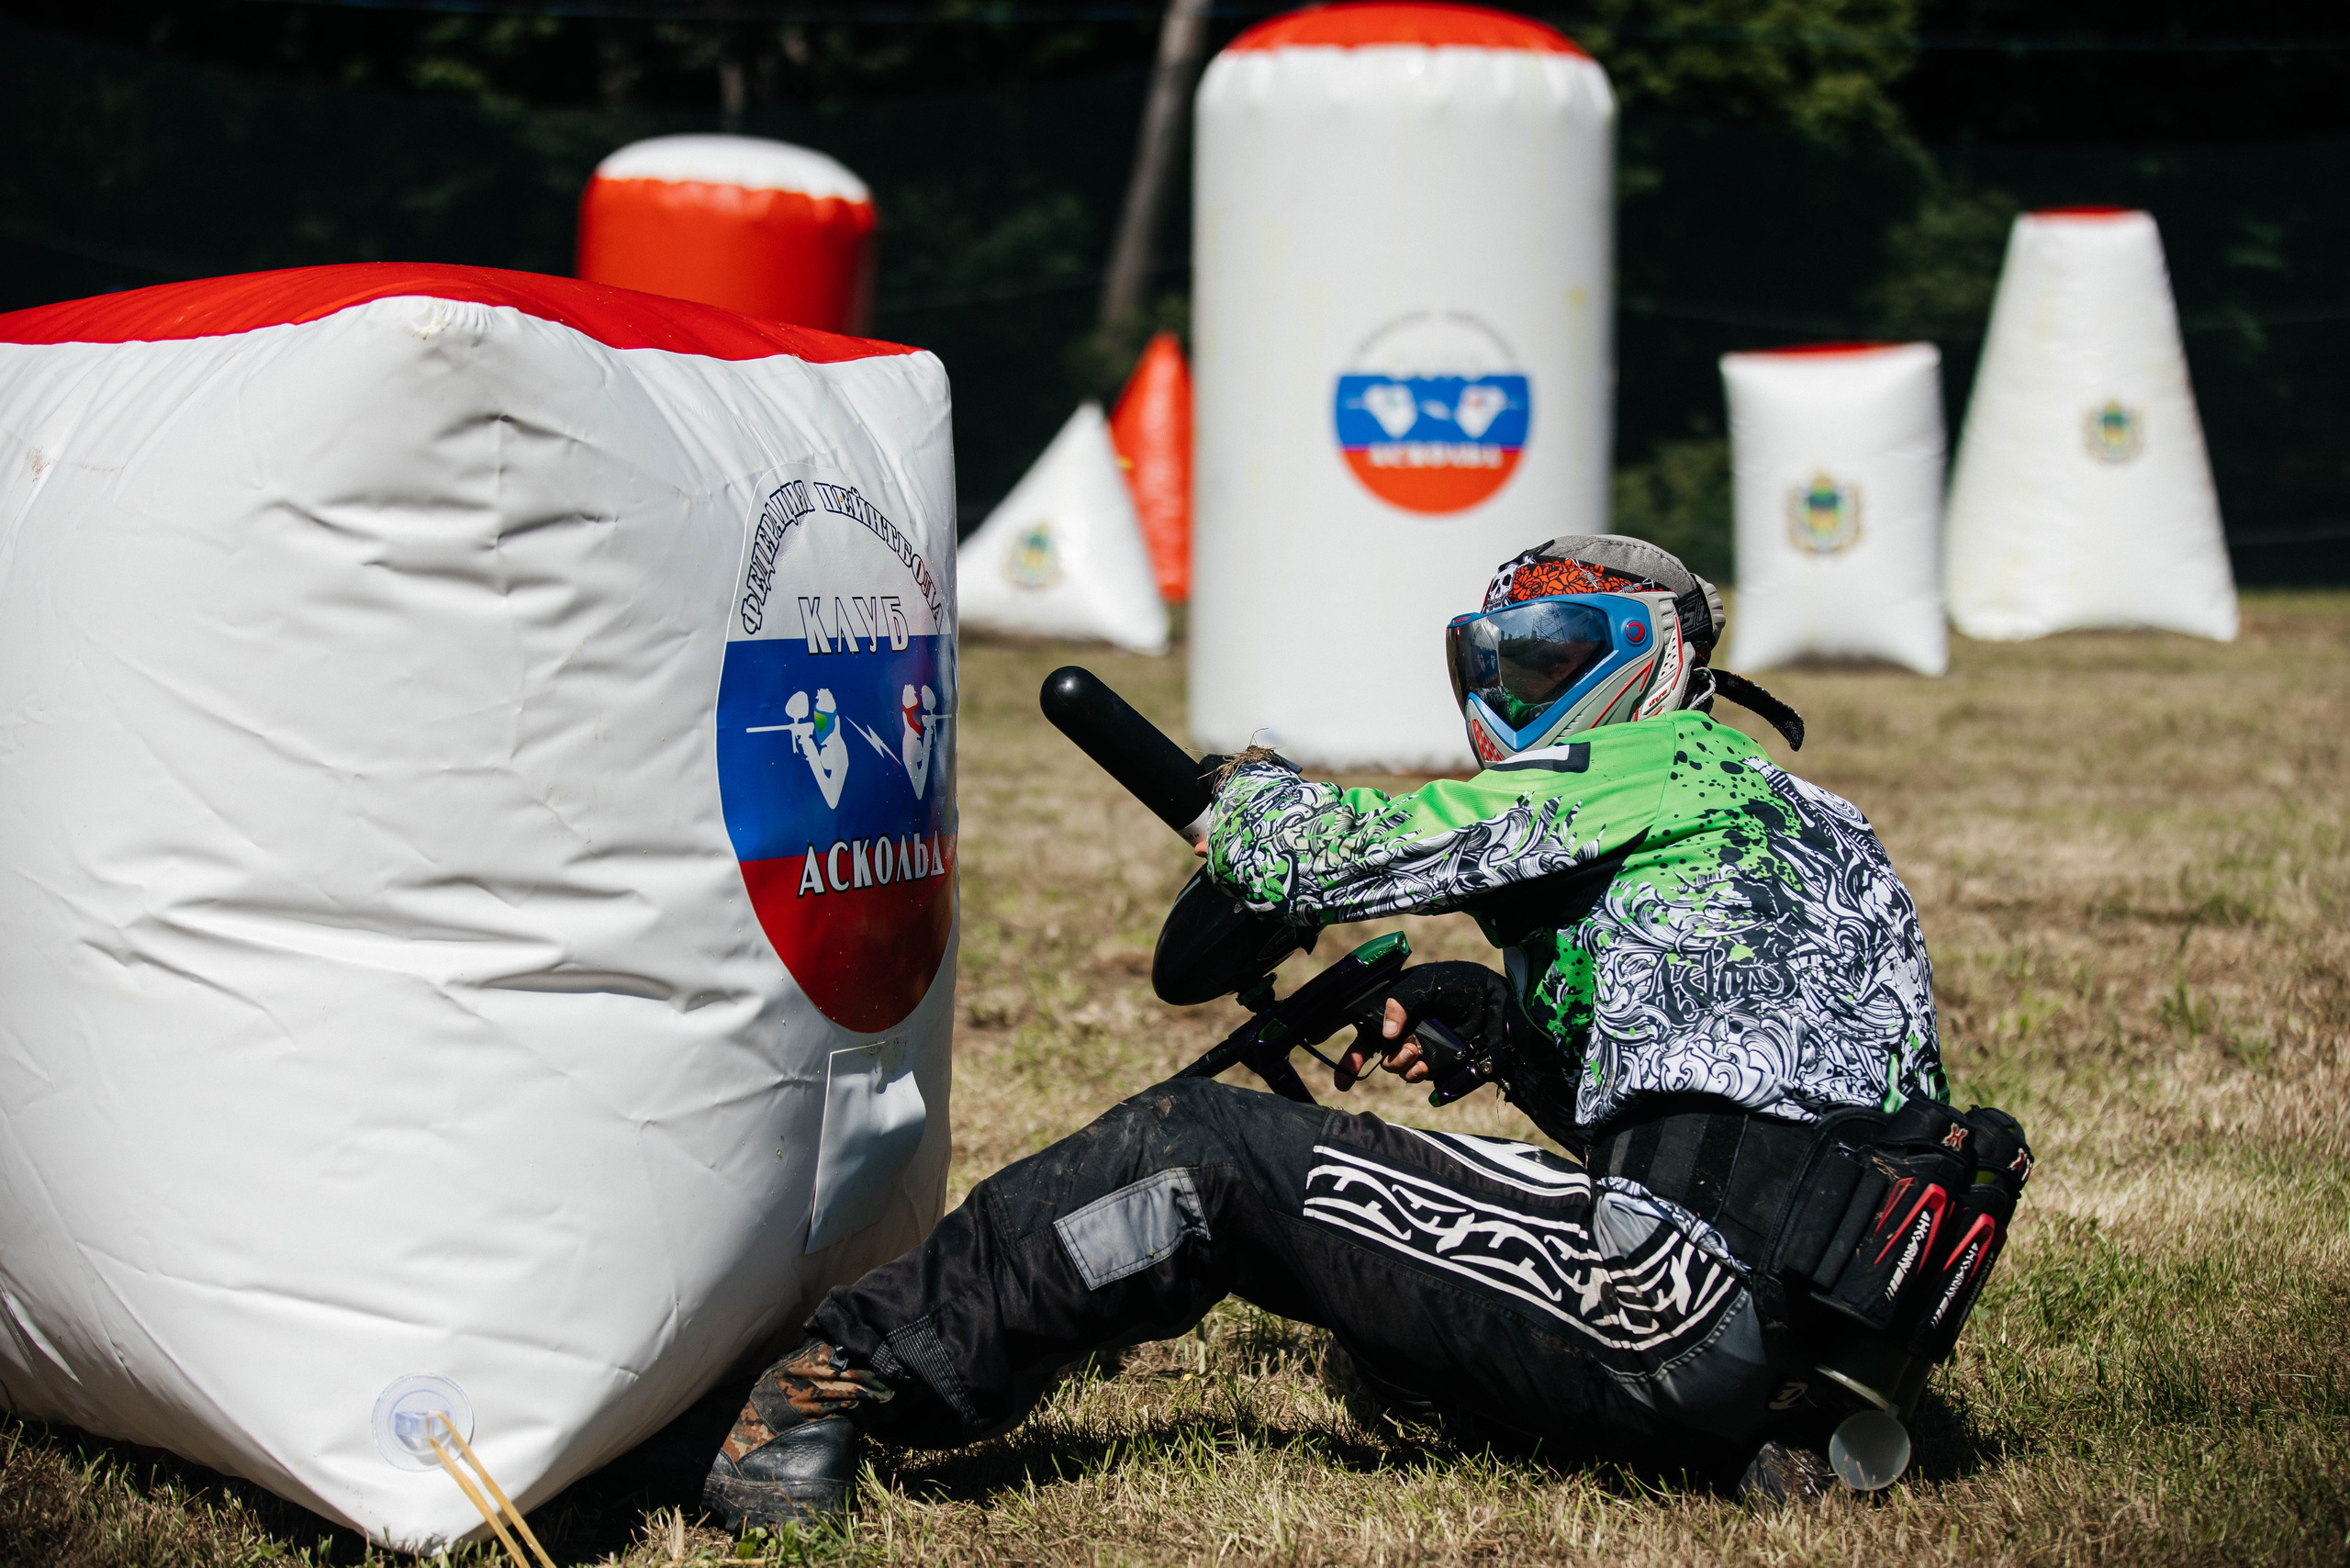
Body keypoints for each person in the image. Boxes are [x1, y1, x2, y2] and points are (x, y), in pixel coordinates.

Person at [697, 534, 2008, 1532]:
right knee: (1386, 1340)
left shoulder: (1658, 763)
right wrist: (1494, 1020)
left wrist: (1242, 795)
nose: (1516, 695)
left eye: (1554, 659)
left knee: (1200, 1153)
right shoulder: (1810, 817)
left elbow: (1332, 857)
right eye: (1492, 664)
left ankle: (832, 1386)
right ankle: (1717, 1435)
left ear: (1658, 656)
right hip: (1809, 1358)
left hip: (1671, 1304)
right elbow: (1722, 1095)